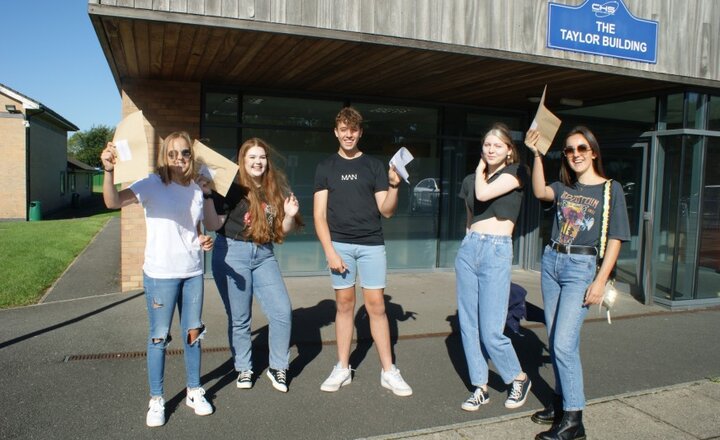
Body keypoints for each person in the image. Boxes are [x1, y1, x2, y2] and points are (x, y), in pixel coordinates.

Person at [100, 131, 214, 428]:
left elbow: (197, 226)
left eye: (185, 153)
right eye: (173, 153)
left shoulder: (197, 188)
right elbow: (112, 202)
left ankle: (193, 390)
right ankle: (157, 399)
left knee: (193, 334)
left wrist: (203, 238)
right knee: (159, 338)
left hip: (192, 273)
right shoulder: (152, 184)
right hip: (160, 275)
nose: (179, 158)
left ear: (192, 155)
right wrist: (109, 171)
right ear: (165, 155)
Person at [525, 126, 630, 440]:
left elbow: (615, 239)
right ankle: (559, 405)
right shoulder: (563, 187)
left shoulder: (611, 190)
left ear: (593, 151)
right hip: (552, 262)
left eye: (582, 148)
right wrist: (537, 154)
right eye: (569, 150)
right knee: (556, 336)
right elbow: (540, 191)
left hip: (581, 268)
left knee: (563, 344)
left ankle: (574, 421)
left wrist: (599, 280)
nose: (575, 155)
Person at [313, 106, 412, 397]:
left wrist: (394, 186)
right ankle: (342, 367)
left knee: (377, 307)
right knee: (344, 306)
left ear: (360, 132)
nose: (348, 134)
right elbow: (319, 215)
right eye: (343, 129)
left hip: (371, 244)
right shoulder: (325, 167)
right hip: (340, 245)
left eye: (353, 129)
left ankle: (389, 371)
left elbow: (387, 211)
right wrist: (329, 251)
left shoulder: (373, 166)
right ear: (336, 132)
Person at [201, 137, 303, 393]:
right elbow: (213, 226)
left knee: (281, 311)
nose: (258, 162)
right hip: (232, 253)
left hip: (264, 254)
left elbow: (280, 230)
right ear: (243, 161)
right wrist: (206, 196)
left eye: (262, 157)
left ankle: (278, 366)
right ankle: (244, 367)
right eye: (252, 158)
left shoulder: (273, 189)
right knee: (240, 318)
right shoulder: (230, 188)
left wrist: (289, 216)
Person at [455, 123, 532, 412]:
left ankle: (518, 377)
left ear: (509, 150)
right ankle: (480, 387)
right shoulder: (469, 180)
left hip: (497, 250)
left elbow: (485, 194)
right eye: (487, 145)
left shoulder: (517, 173)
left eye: (497, 145)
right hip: (471, 247)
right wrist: (467, 241)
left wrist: (479, 170)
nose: (490, 149)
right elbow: (470, 215)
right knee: (468, 325)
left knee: (491, 329)